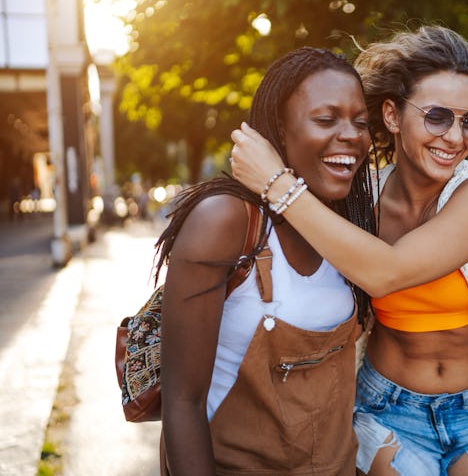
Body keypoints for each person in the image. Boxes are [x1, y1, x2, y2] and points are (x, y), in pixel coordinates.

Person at [230, 26, 468, 476]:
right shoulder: (358, 199)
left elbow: (386, 271)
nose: (455, 136)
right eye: (437, 116)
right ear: (393, 116)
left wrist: (277, 182)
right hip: (386, 409)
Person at [156, 47, 376, 475]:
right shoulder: (226, 220)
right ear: (279, 128)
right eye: (326, 119)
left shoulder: (347, 223)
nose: (351, 135)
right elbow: (182, 401)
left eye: (361, 122)